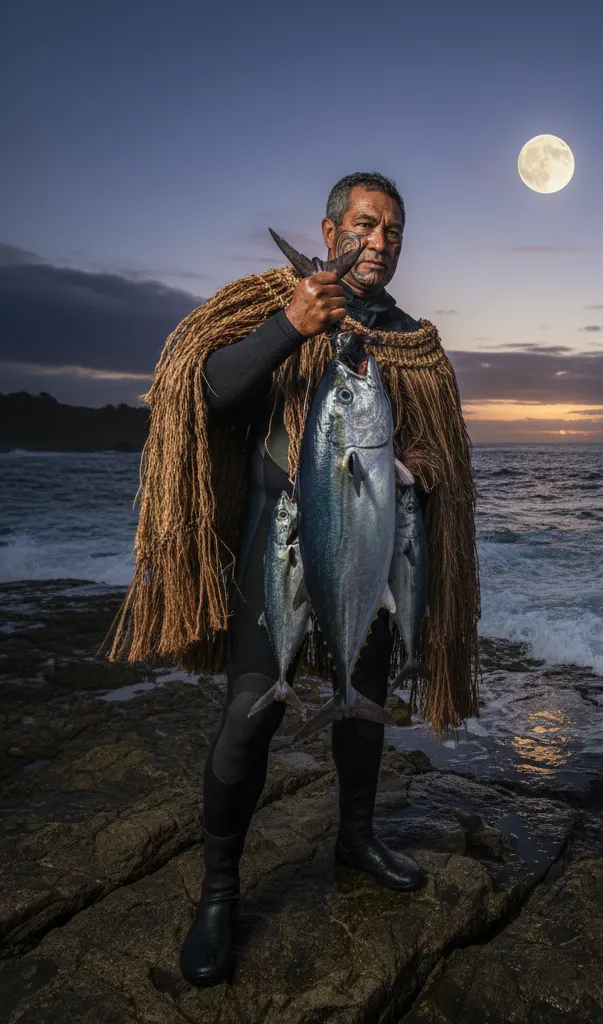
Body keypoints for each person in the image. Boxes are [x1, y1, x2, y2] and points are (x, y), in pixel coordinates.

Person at [105, 172, 480, 987]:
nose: (379, 242)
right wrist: (288, 325)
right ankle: (219, 896)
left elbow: (438, 453)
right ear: (329, 226)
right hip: (273, 545)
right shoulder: (273, 302)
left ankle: (354, 836)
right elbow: (205, 391)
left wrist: (416, 466)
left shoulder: (412, 340)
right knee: (249, 715)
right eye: (365, 225)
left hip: (365, 546)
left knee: (363, 705)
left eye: (394, 231)